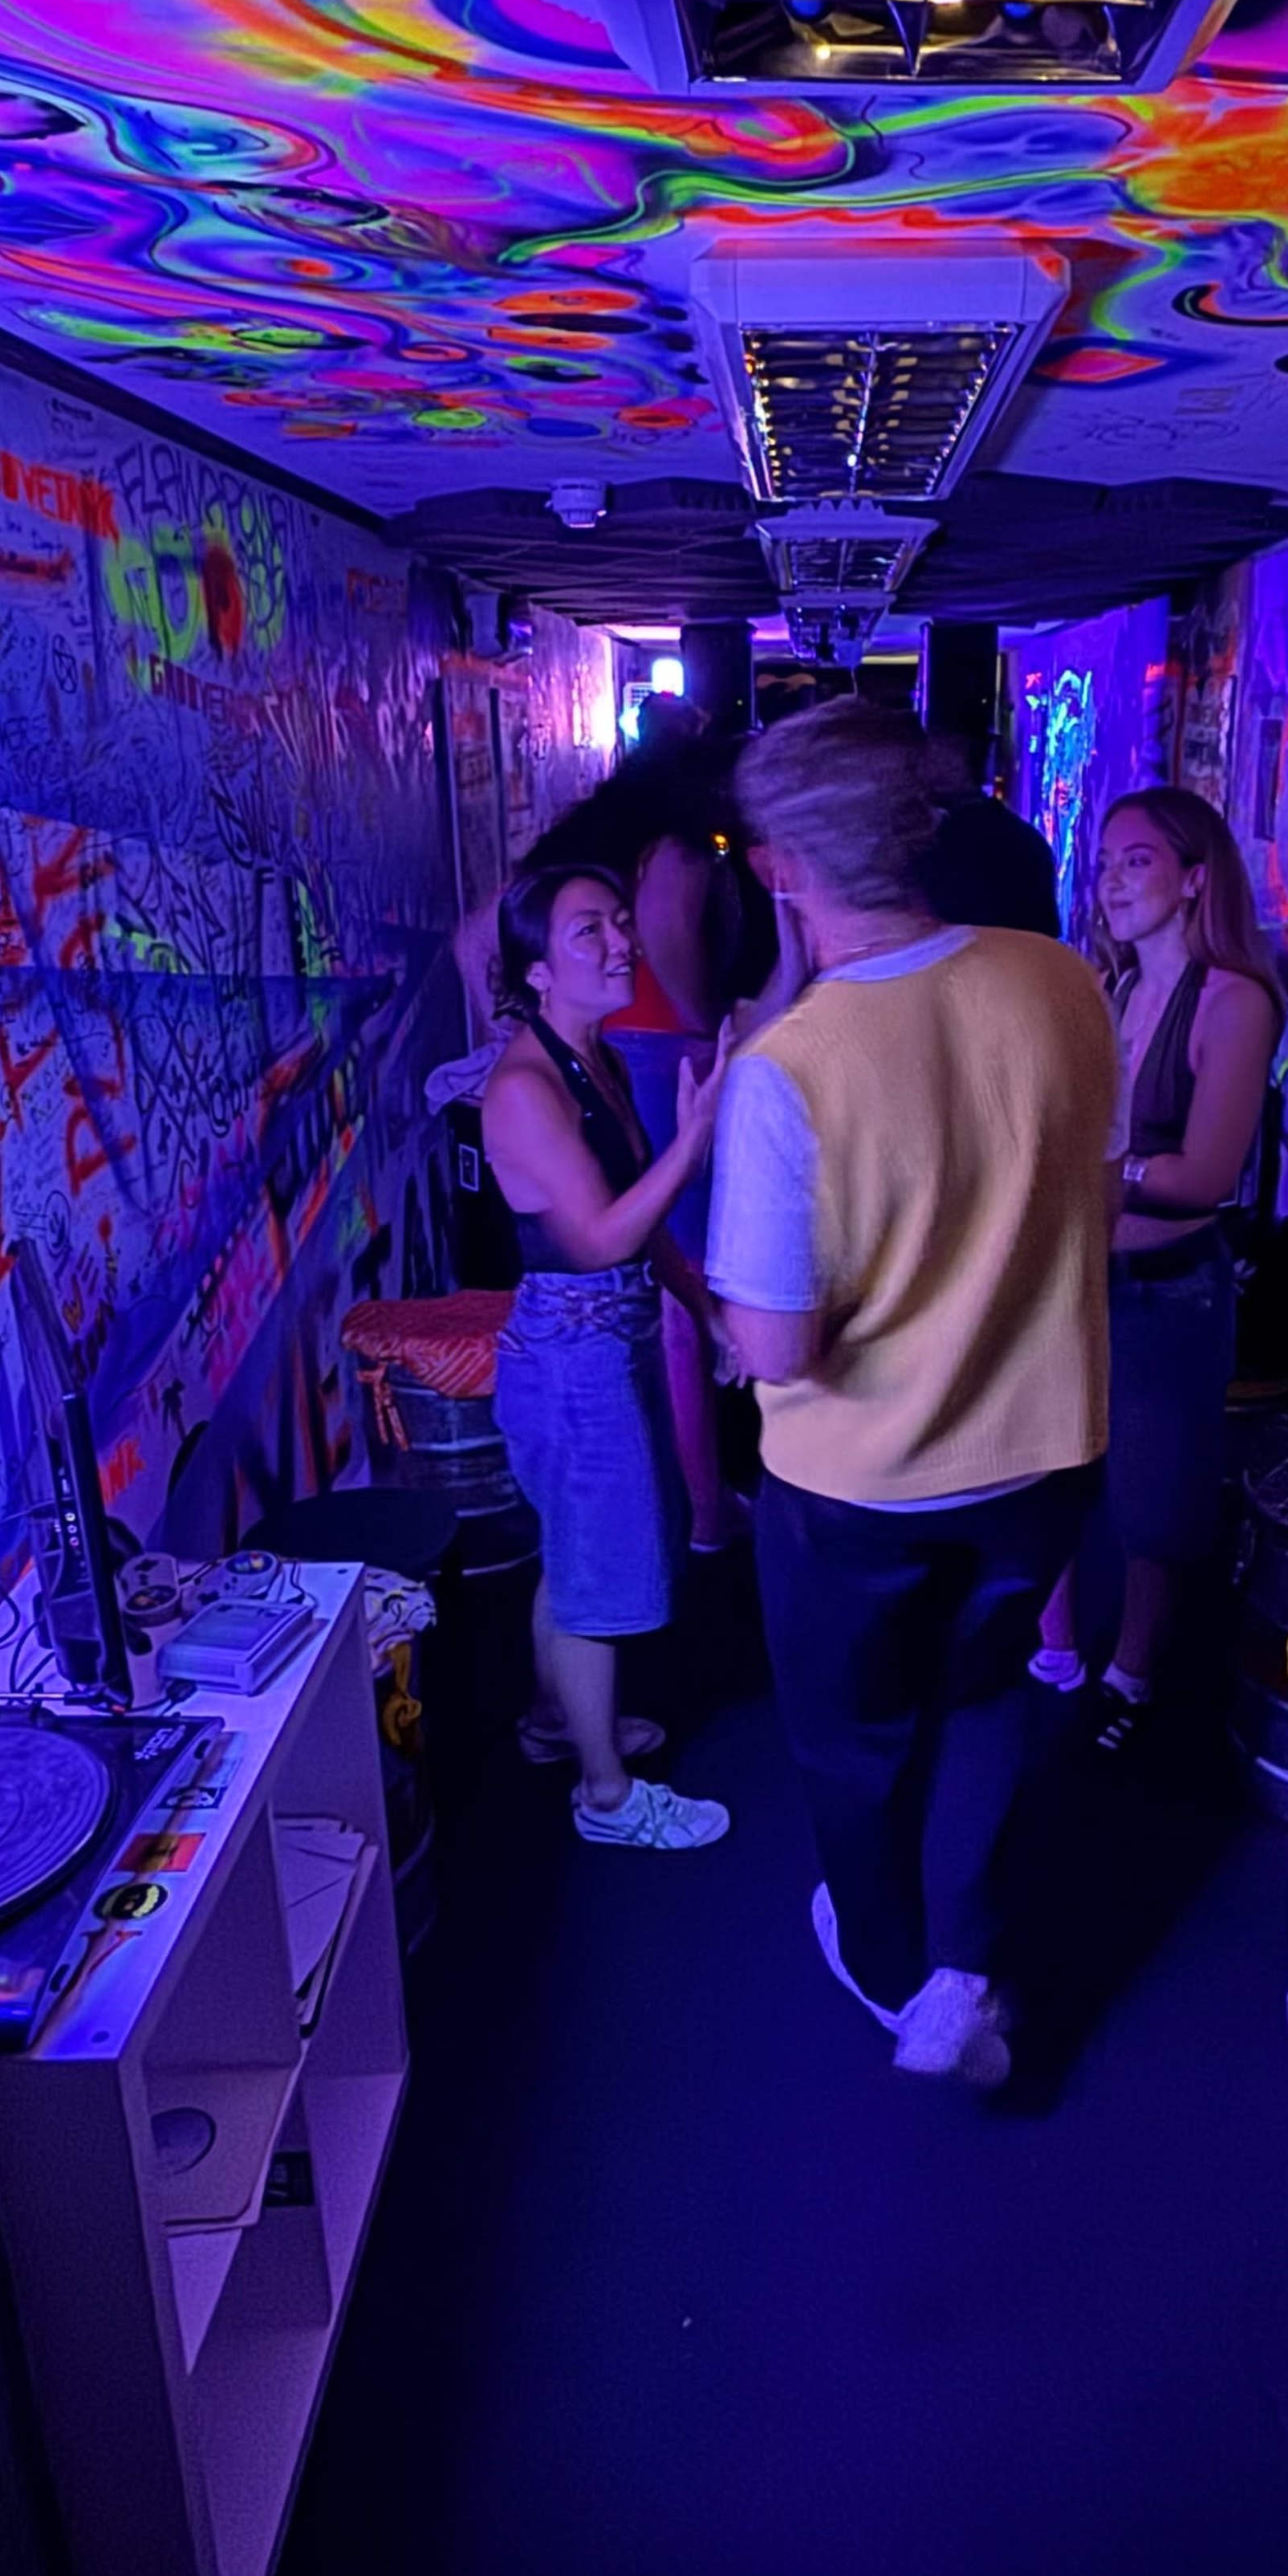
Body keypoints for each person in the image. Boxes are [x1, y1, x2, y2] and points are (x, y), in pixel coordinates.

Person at [709, 702, 1119, 2087]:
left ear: (782, 866)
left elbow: (776, 1348)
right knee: (988, 1696)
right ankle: (970, 1952)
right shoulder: (1062, 981)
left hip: (858, 1487)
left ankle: (897, 1975)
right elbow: (1095, 1202)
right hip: (1045, 1449)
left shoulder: (789, 1069)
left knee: (857, 1739)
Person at [480, 859, 732, 1851]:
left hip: (606, 1338)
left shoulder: (598, 1056)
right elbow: (597, 1239)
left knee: (577, 1553)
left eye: (620, 920)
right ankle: (608, 1794)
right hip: (570, 1351)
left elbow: (639, 1224)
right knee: (596, 1575)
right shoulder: (524, 1087)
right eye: (590, 929)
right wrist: (693, 1141)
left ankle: (558, 1719)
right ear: (537, 971)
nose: (622, 941)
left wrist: (702, 1309)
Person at [1031, 788, 1278, 1747]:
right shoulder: (1112, 986)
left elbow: (1205, 1176)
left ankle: (1130, 1679)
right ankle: (1054, 1650)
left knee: (1153, 1505)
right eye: (1105, 862)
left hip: (1169, 1290)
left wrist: (1098, 1167)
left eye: (1137, 860)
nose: (1112, 880)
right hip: (1078, 1275)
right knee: (1051, 1467)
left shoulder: (1234, 1001)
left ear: (1196, 878)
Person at [530, 726, 777, 1553]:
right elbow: (677, 961)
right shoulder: (679, 848)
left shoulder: (604, 838)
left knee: (660, 1269)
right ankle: (702, 1505)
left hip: (620, 1050)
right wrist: (720, 1031)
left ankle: (685, 1495)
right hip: (664, 1056)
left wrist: (523, 1039)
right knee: (682, 1281)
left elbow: (475, 941)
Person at [912, 747, 1061, 938]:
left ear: (954, 764)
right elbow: (1046, 933)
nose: (921, 771)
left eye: (928, 760)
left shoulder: (934, 846)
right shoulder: (1028, 841)